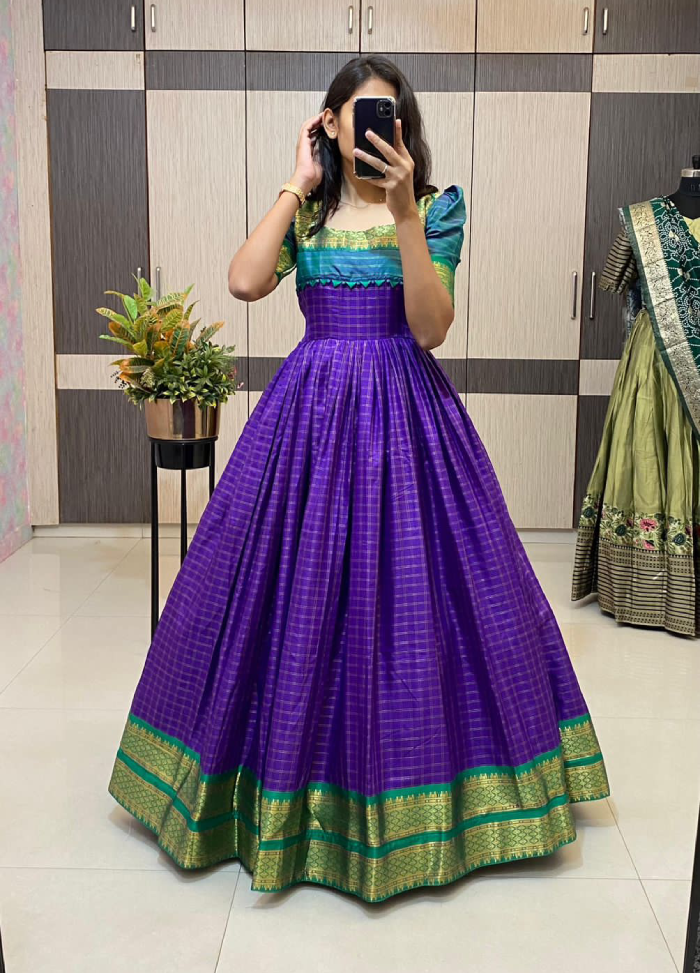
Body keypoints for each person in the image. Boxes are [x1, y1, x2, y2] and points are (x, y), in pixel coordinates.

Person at [108, 55, 610, 904]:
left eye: (390, 115)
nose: (374, 129)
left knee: (418, 596)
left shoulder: (438, 208)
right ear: (330, 122)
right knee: (287, 593)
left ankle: (447, 797)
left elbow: (431, 328)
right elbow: (244, 280)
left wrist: (406, 211)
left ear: (403, 130)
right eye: (358, 114)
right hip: (306, 419)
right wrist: (295, 182)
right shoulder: (308, 214)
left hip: (408, 417)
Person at [572, 195, 700, 637]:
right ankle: (644, 585)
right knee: (647, 450)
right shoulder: (642, 219)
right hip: (654, 360)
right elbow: (614, 281)